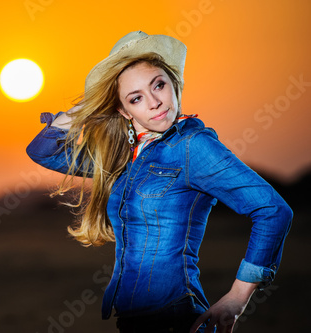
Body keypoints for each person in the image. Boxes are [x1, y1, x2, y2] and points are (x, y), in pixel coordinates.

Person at [26, 31, 292, 333]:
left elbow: (273, 210)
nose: (154, 102)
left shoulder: (192, 146)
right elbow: (44, 152)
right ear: (124, 111)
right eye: (136, 98)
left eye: (159, 85)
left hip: (175, 318)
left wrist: (237, 297)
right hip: (131, 322)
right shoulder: (125, 157)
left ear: (174, 84)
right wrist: (87, 106)